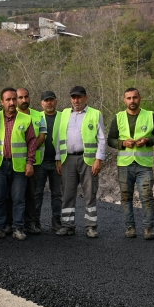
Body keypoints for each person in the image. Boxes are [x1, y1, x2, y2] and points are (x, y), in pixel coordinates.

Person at [107, 88, 154, 240]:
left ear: (140, 98)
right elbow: (110, 140)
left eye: (135, 97)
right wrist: (122, 143)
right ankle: (130, 228)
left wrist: (148, 140)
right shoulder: (118, 117)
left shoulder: (150, 116)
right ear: (124, 100)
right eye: (129, 98)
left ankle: (148, 229)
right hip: (125, 164)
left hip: (144, 164)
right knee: (126, 197)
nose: (132, 101)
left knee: (146, 196)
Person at [54, 86, 106, 238]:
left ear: (86, 97)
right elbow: (59, 137)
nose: (76, 100)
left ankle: (91, 227)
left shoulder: (95, 114)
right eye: (73, 97)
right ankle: (67, 225)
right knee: (68, 193)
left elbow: (102, 138)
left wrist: (98, 159)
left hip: (88, 160)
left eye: (79, 97)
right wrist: (58, 158)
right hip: (67, 159)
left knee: (89, 194)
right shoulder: (64, 114)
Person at [0, 88, 36, 241]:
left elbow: (32, 142)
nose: (11, 103)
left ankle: (18, 228)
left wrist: (30, 162)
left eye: (14, 99)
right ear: (1, 102)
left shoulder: (25, 119)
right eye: (8, 100)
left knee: (18, 199)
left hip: (19, 166)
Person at [13, 87, 46, 235]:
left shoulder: (39, 115)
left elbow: (42, 136)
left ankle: (31, 223)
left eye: (26, 97)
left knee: (32, 194)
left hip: (35, 162)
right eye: (20, 97)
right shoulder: (11, 115)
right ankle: (12, 223)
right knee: (14, 195)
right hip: (15, 162)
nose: (24, 100)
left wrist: (30, 153)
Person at [34, 91, 63, 231]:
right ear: (42, 103)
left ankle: (56, 222)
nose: (49, 102)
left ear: (56, 101)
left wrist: (61, 159)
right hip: (39, 162)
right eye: (46, 100)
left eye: (51, 100)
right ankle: (35, 222)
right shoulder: (36, 117)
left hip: (57, 162)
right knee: (37, 193)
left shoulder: (63, 117)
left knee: (57, 194)